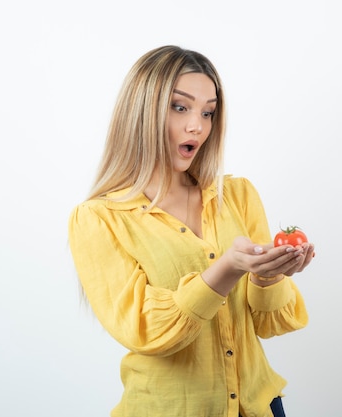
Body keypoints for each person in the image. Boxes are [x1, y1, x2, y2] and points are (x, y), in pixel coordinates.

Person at [68, 45, 315, 417]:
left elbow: (267, 323)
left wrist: (268, 277)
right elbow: (147, 330)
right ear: (142, 112)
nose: (197, 126)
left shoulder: (238, 196)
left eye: (208, 112)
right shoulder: (99, 219)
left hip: (260, 407)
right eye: (180, 107)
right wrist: (226, 269)